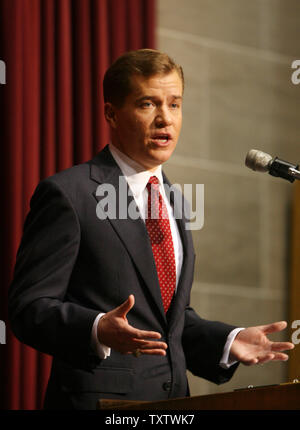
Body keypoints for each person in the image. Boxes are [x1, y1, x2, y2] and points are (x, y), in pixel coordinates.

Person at [8, 49, 294, 410]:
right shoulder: (69, 194)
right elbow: (28, 308)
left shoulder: (172, 199)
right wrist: (96, 327)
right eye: (148, 104)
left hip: (173, 405)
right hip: (101, 404)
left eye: (174, 105)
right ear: (112, 113)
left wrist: (228, 340)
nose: (165, 119)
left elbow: (168, 322)